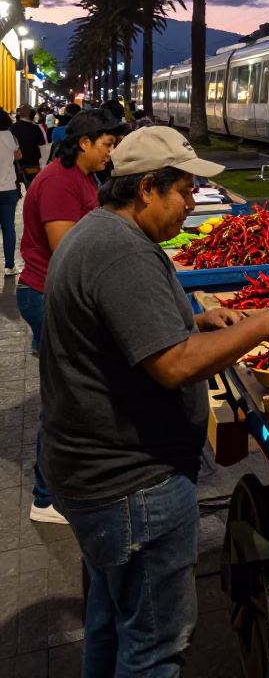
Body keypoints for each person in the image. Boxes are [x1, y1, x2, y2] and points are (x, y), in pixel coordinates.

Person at [40, 126, 269, 676]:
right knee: (155, 647)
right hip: (132, 484)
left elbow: (129, 331)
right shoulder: (121, 255)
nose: (192, 204)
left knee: (110, 619)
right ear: (145, 191)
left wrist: (198, 320)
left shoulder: (99, 233)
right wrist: (259, 325)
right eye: (183, 192)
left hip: (91, 475)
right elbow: (174, 366)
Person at [18, 107, 121, 522]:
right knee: (63, 400)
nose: (110, 153)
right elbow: (67, 251)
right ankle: (46, 499)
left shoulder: (81, 176)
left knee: (71, 395)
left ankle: (68, 483)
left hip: (55, 293)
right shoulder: (59, 182)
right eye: (107, 145)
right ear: (84, 143)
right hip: (46, 295)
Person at [0, 108, 23, 275]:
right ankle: (9, 265)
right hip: (8, 188)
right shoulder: (11, 137)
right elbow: (18, 156)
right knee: (8, 227)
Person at [11, 105, 46, 189]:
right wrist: (43, 166)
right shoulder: (36, 128)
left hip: (16, 167)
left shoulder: (12, 128)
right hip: (33, 166)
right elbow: (43, 148)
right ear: (32, 115)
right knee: (32, 190)